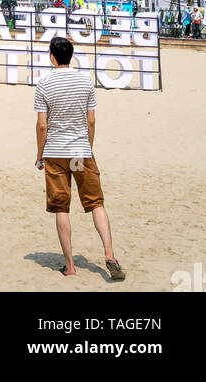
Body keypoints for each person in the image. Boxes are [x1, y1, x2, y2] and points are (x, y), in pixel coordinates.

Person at [34, 34, 125, 280]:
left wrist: (39, 155)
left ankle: (70, 265)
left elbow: (42, 125)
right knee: (95, 202)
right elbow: (91, 120)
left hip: (55, 153)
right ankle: (109, 254)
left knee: (61, 206)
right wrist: (88, 147)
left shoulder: (44, 84)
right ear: (70, 56)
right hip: (79, 152)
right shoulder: (85, 82)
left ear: (52, 57)